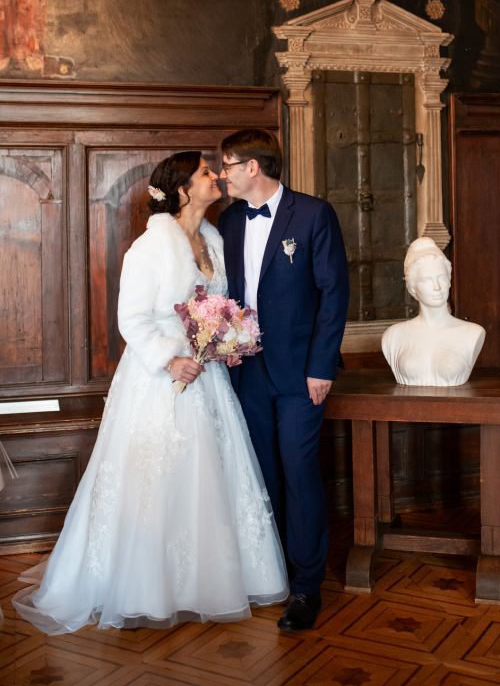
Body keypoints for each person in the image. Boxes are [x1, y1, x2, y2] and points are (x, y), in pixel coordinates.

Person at [13, 151, 288, 634]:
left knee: (211, 479)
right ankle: (146, 587)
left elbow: (224, 305)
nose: (216, 178)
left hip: (208, 378)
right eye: (207, 173)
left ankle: (207, 582)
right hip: (160, 379)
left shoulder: (213, 239)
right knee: (156, 481)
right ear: (183, 189)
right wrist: (170, 357)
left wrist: (226, 340)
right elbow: (132, 320)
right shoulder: (149, 247)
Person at [218, 129, 349, 632]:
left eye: (227, 164)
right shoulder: (229, 221)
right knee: (262, 475)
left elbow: (334, 293)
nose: (223, 172)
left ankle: (306, 587)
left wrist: (320, 367)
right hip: (245, 370)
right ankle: (269, 573)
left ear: (253, 166)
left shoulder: (313, 214)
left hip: (300, 373)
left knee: (299, 473)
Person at [382, 237, 485, 386]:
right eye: (426, 280)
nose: (437, 287)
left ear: (449, 281)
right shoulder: (393, 336)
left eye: (442, 278)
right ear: (412, 288)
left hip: (457, 408)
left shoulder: (473, 333)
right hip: (406, 407)